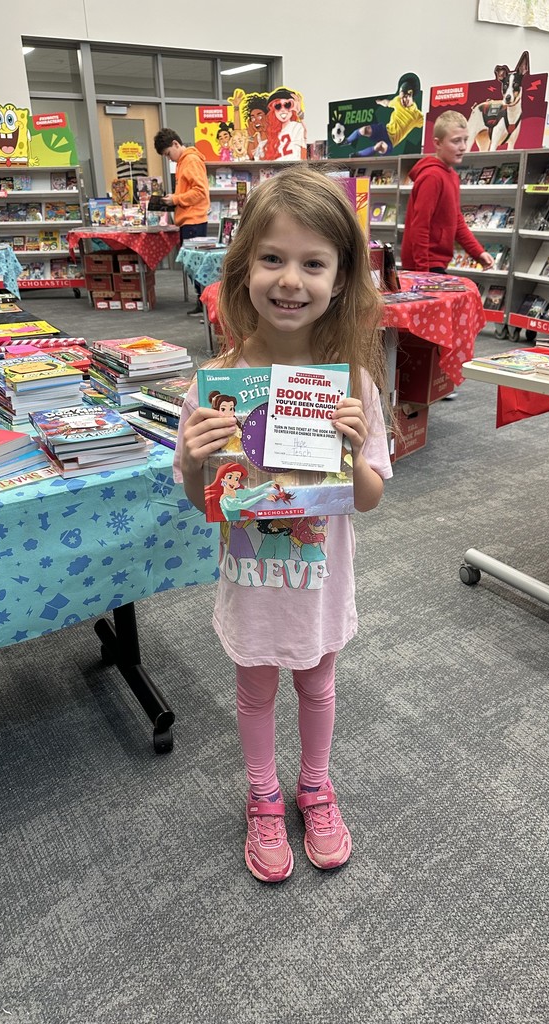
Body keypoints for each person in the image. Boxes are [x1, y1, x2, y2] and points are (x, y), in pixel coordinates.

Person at [173, 164, 392, 883]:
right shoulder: (217, 385)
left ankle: (316, 787)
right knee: (255, 690)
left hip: (318, 578)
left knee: (320, 685)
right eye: (272, 258)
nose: (290, 279)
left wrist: (358, 453)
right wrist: (198, 459)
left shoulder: (352, 383)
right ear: (242, 270)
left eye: (312, 262)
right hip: (252, 578)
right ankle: (264, 797)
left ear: (340, 277)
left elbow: (368, 498)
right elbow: (193, 495)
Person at [401, 111, 495, 275]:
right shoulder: (432, 177)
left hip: (435, 264)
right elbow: (420, 227)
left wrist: (478, 252)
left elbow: (456, 220)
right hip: (424, 266)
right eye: (456, 141)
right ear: (438, 143)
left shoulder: (452, 176)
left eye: (465, 139)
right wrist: (423, 274)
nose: (463, 147)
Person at [154, 127, 210, 316]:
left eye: (169, 154)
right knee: (192, 265)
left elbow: (200, 192)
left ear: (176, 144)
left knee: (195, 265)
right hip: (188, 220)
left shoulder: (191, 160)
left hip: (193, 221)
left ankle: (205, 302)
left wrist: (176, 200)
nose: (169, 159)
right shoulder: (183, 162)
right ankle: (202, 301)